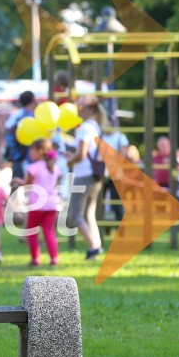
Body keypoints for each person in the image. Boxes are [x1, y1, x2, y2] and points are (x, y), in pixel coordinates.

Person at [65, 94, 106, 261]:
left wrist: (69, 160)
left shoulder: (84, 128)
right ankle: (96, 246)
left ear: (89, 109)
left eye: (80, 106)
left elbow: (81, 154)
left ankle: (92, 247)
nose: (77, 109)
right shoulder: (96, 126)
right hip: (95, 176)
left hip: (83, 175)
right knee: (89, 214)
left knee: (76, 215)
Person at [20, 139, 61, 266]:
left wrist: (18, 182)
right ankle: (54, 258)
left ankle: (35, 258)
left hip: (37, 204)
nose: (30, 152)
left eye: (32, 149)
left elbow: (28, 184)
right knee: (49, 231)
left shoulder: (33, 168)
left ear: (40, 151)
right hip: (52, 203)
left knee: (32, 232)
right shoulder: (54, 168)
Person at [4, 91, 36, 179]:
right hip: (29, 156)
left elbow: (6, 129)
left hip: (16, 155)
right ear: (33, 100)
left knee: (17, 183)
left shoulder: (16, 114)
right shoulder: (33, 116)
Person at [101, 126, 129, 221]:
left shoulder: (120, 137)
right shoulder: (100, 136)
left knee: (117, 205)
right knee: (99, 204)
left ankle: (121, 231)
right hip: (102, 174)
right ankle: (102, 230)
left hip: (116, 175)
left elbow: (122, 156)